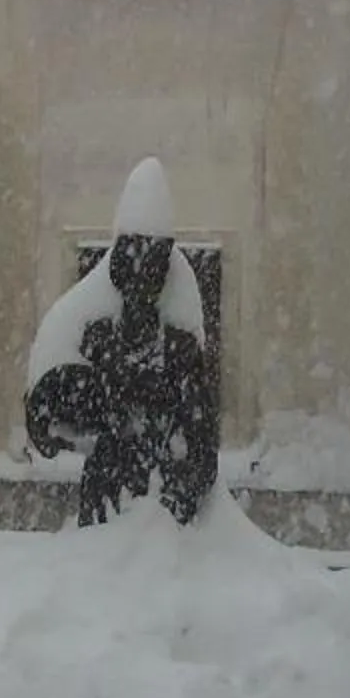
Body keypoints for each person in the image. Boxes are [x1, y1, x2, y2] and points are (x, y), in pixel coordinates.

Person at [24, 159, 217, 525]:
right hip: (107, 500)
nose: (142, 280)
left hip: (160, 512)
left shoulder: (179, 348)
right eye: (133, 266)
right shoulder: (94, 337)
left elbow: (201, 451)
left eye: (152, 268)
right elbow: (48, 409)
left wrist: (173, 496)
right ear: (117, 273)